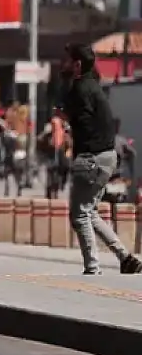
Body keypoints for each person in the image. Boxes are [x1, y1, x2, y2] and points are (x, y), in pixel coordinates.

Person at [58, 43, 142, 276]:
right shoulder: (94, 87)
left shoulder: (79, 89)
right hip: (107, 157)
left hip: (90, 158)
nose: (62, 65)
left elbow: (78, 121)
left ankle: (92, 269)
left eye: (67, 61)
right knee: (90, 212)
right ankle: (125, 258)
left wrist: (65, 115)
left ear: (77, 65)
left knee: (79, 215)